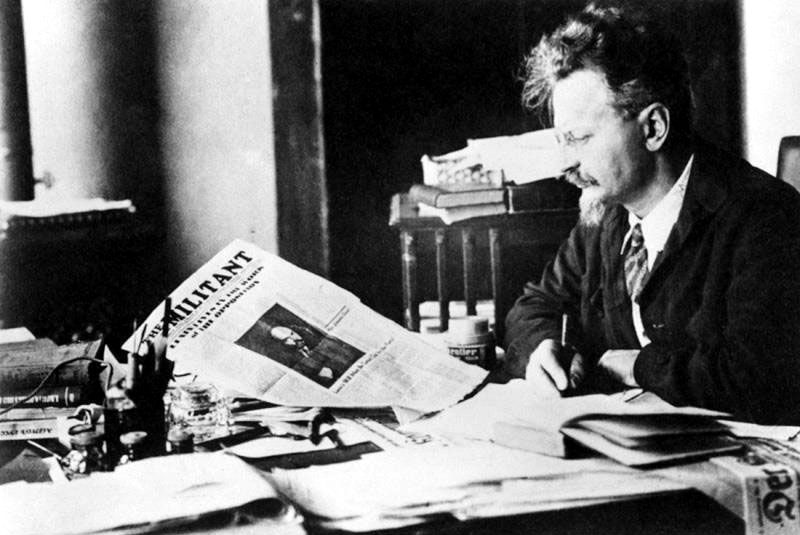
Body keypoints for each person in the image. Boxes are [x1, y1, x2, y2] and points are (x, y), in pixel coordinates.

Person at [502, 3, 800, 424]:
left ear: (653, 127)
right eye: (562, 141)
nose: (566, 164)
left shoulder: (765, 219)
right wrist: (542, 347)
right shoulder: (605, 215)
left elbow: (763, 377)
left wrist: (639, 366)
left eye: (580, 138)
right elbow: (535, 304)